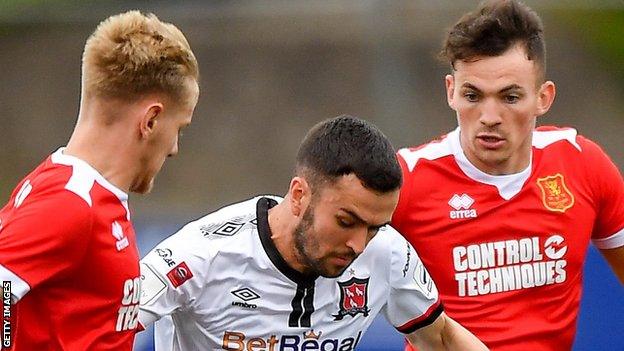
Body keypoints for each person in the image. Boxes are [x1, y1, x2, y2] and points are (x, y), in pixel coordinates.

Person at [138, 115, 487, 351]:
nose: (358, 245)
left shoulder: (388, 254)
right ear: (300, 195)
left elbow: (441, 338)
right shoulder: (200, 255)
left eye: (375, 228)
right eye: (346, 222)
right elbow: (102, 326)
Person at [391, 1, 624, 350]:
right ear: (451, 91)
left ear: (543, 98)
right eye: (473, 95)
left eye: (510, 97)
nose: (489, 116)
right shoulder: (405, 179)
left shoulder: (582, 164)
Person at [0, 11, 199, 350]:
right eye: (178, 129)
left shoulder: (85, 192)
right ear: (151, 120)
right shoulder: (71, 204)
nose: (174, 149)